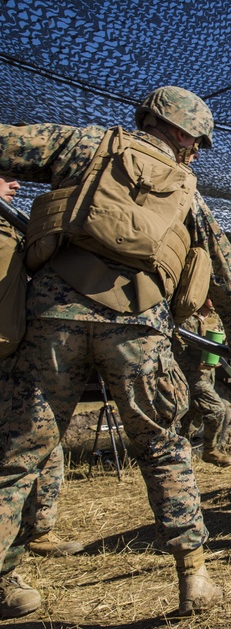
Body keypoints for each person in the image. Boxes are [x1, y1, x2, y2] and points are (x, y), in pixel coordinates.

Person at [0, 86, 231, 619]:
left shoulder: (83, 146)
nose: (195, 152)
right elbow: (228, 274)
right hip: (141, 328)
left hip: (54, 321)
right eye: (196, 140)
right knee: (163, 448)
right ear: (176, 131)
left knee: (17, 457)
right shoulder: (187, 192)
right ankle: (194, 576)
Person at [0, 176, 82, 560]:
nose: (14, 183)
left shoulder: (12, 228)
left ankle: (37, 532)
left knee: (44, 444)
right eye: (4, 174)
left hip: (16, 353)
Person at [174, 300, 231, 468]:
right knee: (217, 410)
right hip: (191, 376)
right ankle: (210, 450)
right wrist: (195, 365)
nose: (215, 300)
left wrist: (217, 358)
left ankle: (178, 455)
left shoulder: (215, 318)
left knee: (191, 418)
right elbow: (177, 351)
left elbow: (221, 342)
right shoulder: (186, 319)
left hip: (208, 375)